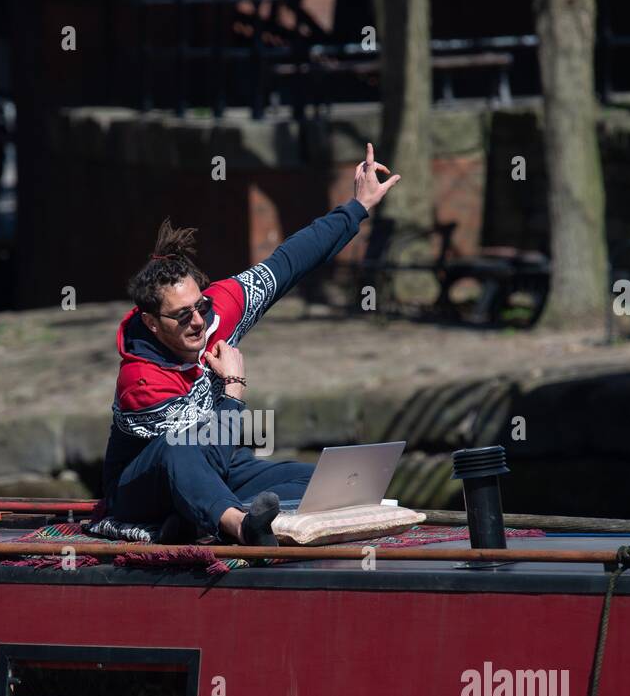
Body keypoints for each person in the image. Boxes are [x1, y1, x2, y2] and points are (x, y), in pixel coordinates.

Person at [92, 143, 400, 546]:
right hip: (143, 488)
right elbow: (206, 453)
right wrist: (233, 391)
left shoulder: (221, 310)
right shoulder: (141, 379)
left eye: (199, 305)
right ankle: (241, 527)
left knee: (316, 482)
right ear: (151, 323)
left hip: (215, 467)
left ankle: (210, 518)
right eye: (182, 315)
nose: (198, 321)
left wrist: (357, 207)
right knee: (181, 450)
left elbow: (291, 260)